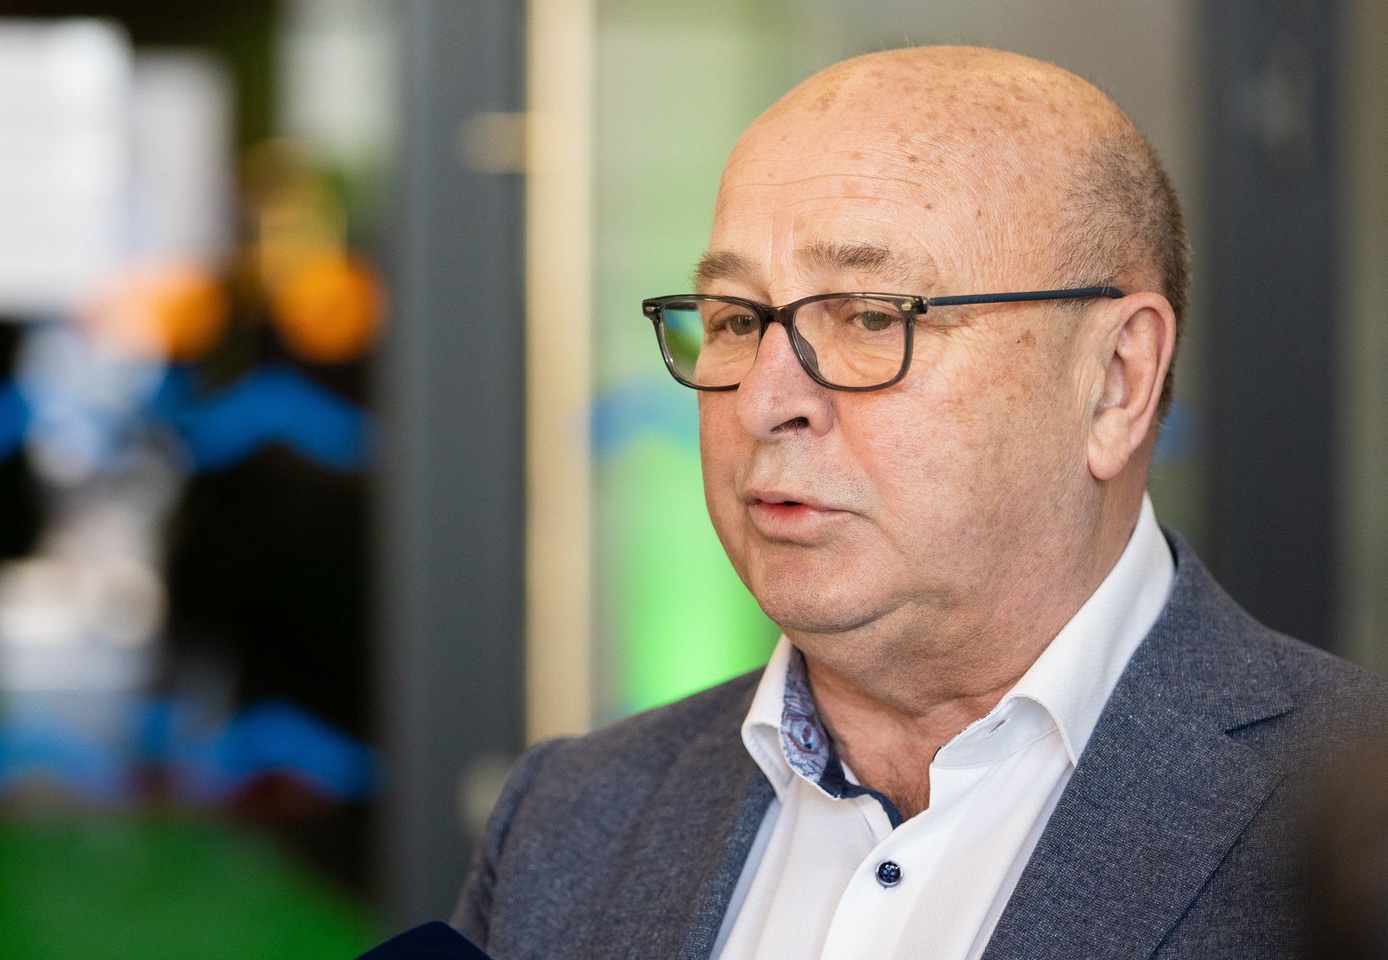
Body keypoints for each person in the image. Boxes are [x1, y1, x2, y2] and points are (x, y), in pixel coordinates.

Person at [450, 46, 1388, 959]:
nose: (764, 400)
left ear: (1114, 379)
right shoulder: (568, 820)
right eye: (735, 320)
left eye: (870, 316)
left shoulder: (1352, 819)